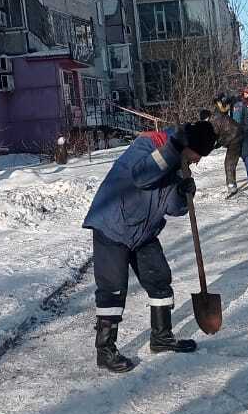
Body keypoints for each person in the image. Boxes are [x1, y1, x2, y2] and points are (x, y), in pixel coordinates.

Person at [82, 120, 218, 373]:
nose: (197, 161)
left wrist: (183, 191)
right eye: (197, 155)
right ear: (188, 146)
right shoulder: (150, 145)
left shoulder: (178, 163)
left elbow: (173, 208)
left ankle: (161, 337)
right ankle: (105, 350)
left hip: (142, 231)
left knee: (159, 278)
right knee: (112, 289)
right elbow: (141, 176)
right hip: (113, 224)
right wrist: (172, 150)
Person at [211, 92, 243, 196]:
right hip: (235, 135)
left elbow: (216, 134)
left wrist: (217, 143)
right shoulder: (219, 113)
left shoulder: (217, 116)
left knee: (229, 163)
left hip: (235, 137)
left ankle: (232, 187)